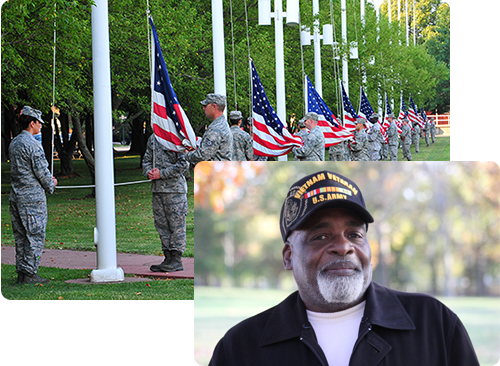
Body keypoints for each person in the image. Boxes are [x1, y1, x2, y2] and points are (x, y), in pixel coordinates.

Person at [208, 170, 480, 366]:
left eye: (355, 235)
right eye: (320, 236)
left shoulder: (433, 324)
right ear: (288, 256)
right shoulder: (241, 347)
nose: (343, 246)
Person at [9, 106, 57, 284]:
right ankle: (29, 272)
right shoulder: (33, 145)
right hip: (32, 198)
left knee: (20, 235)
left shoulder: (14, 143)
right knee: (34, 235)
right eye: (39, 123)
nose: (40, 126)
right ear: (32, 123)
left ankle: (22, 271)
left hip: (16, 195)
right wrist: (51, 183)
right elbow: (41, 171)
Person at [143, 134, 189, 272]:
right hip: (158, 190)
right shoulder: (153, 138)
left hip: (174, 190)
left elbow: (184, 164)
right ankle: (168, 257)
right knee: (162, 225)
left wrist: (161, 173)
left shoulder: (175, 137)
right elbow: (146, 160)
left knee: (176, 225)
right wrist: (148, 172)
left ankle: (176, 258)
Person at [185, 93, 233, 162]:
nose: (203, 108)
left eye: (206, 105)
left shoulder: (215, 129)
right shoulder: (222, 124)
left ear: (214, 107)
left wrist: (187, 154)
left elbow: (204, 155)